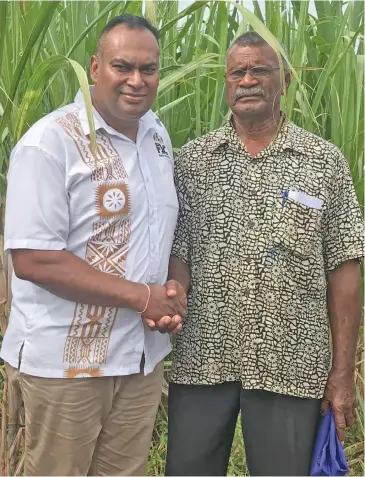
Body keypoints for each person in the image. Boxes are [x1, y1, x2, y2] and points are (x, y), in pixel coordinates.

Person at [164, 31, 364, 476]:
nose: (248, 80)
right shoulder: (192, 161)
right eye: (238, 72)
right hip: (203, 359)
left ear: (286, 79)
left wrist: (343, 372)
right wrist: (173, 295)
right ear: (226, 83)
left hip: (291, 362)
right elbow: (178, 251)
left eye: (261, 70)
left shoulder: (323, 161)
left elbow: (345, 266)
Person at [1, 13, 184, 476]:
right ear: (95, 66)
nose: (137, 81)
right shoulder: (49, 144)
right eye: (123, 66)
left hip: (140, 358)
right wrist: (143, 297)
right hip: (67, 364)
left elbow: (161, 231)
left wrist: (172, 290)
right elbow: (35, 260)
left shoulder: (157, 137)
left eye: (149, 69)